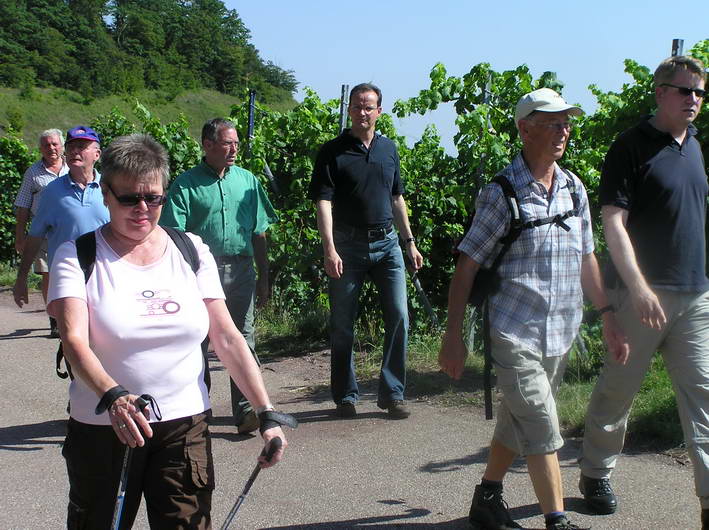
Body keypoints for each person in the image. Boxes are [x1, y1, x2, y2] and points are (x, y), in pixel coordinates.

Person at [49, 134, 288, 529]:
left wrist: (267, 413)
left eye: (154, 198)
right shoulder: (77, 255)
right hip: (106, 427)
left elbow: (227, 337)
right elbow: (73, 340)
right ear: (105, 194)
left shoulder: (191, 250)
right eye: (129, 198)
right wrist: (114, 398)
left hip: (183, 425)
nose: (142, 209)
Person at [438, 88, 628, 530]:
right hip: (514, 332)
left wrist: (608, 317)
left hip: (561, 332)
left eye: (566, 122)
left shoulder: (574, 187)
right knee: (543, 427)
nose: (563, 130)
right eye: (552, 122)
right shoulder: (501, 193)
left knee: (517, 422)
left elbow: (586, 258)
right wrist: (453, 338)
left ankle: (487, 497)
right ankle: (556, 520)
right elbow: (466, 268)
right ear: (525, 129)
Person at [578, 56, 708, 527]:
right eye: (683, 90)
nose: (693, 99)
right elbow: (612, 221)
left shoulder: (694, 146)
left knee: (704, 399)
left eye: (699, 92)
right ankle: (595, 472)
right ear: (659, 92)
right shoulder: (629, 147)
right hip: (640, 296)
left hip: (695, 294)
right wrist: (637, 286)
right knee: (618, 390)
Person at [309, 83, 423, 420]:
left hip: (387, 244)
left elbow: (397, 198)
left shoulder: (389, 149)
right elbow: (323, 201)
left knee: (399, 316)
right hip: (347, 245)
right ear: (349, 110)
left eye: (369, 106)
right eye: (357, 106)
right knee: (343, 324)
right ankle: (345, 396)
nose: (363, 112)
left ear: (379, 111)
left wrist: (409, 242)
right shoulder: (333, 151)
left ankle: (393, 394)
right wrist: (329, 248)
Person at [161, 118, 278, 434]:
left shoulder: (248, 181)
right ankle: (196, 408)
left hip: (241, 270)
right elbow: (173, 236)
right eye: (228, 143)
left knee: (243, 337)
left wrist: (264, 277)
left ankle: (246, 411)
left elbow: (260, 232)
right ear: (208, 145)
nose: (234, 148)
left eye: (236, 142)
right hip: (199, 272)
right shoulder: (186, 185)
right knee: (196, 340)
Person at [13, 126, 110, 312]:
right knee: (73, 335)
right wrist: (21, 278)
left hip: (104, 275)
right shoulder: (52, 192)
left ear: (97, 154)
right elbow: (35, 235)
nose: (74, 151)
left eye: (81, 146)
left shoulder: (110, 188)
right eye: (71, 146)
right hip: (67, 276)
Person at [14, 128, 69, 336]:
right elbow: (22, 205)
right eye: (46, 145)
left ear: (62, 146)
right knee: (48, 274)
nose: (51, 148)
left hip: (70, 231)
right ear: (40, 148)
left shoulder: (72, 168)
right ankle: (54, 319)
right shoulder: (33, 172)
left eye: (54, 144)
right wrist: (20, 236)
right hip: (43, 233)